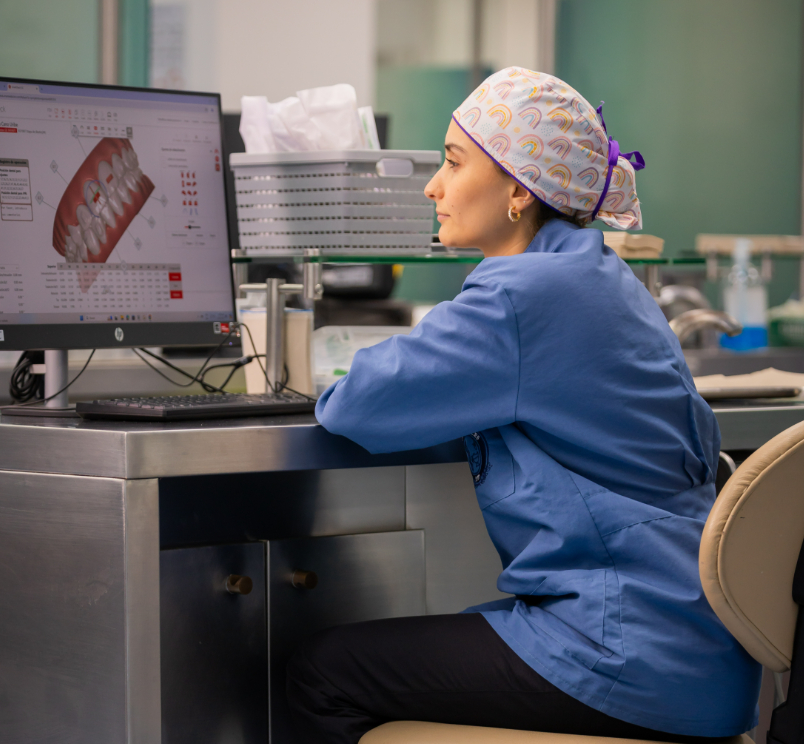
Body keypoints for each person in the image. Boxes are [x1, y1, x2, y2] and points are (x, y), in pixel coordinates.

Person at [286, 67, 761, 744]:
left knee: (320, 671)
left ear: (517, 187)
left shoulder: (518, 297)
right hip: (696, 643)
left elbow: (352, 406)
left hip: (625, 651)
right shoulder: (598, 273)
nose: (433, 187)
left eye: (452, 163)